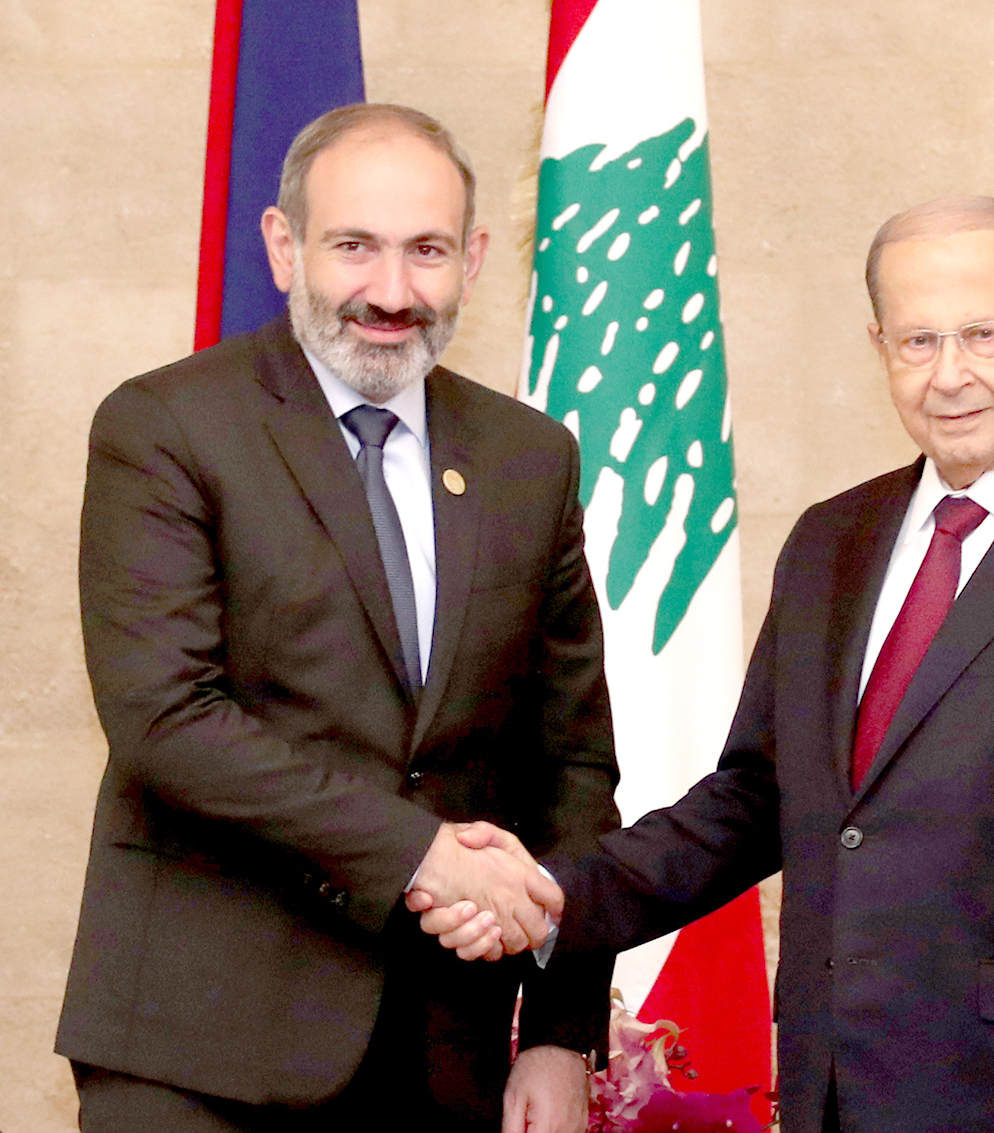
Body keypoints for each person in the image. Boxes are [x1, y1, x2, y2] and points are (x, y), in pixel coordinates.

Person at [423, 197, 994, 1133]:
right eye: (917, 341)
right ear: (879, 345)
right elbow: (749, 803)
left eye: (983, 334)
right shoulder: (832, 541)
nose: (950, 375)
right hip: (835, 1093)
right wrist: (549, 897)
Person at [54, 102, 620, 1133]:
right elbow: (165, 717)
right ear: (283, 245)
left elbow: (572, 763)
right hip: (195, 1048)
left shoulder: (528, 459)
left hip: (440, 1053)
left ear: (475, 257)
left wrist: (556, 1031)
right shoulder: (166, 426)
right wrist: (422, 851)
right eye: (354, 245)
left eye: (427, 251)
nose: (390, 292)